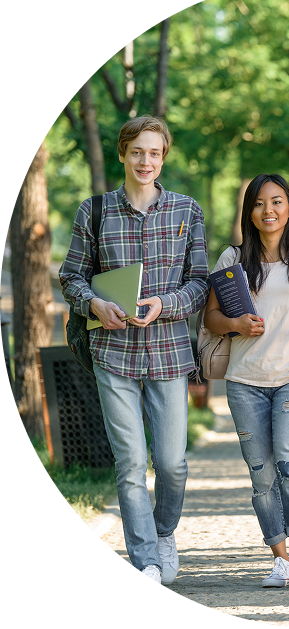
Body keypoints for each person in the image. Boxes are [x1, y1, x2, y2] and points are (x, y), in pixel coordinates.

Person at [59, 116, 209, 584]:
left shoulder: (187, 210)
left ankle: (164, 534)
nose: (146, 161)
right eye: (138, 152)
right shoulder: (95, 211)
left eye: (155, 153)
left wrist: (166, 304)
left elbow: (200, 283)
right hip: (112, 352)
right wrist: (96, 304)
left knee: (171, 463)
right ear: (123, 153)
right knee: (129, 462)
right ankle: (144, 556)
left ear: (164, 157)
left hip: (167, 352)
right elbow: (71, 277)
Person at [204, 173, 289, 587]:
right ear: (250, 213)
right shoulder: (232, 259)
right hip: (245, 381)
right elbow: (210, 319)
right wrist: (237, 323)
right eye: (259, 204)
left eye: (276, 202)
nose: (268, 210)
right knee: (261, 472)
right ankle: (278, 557)